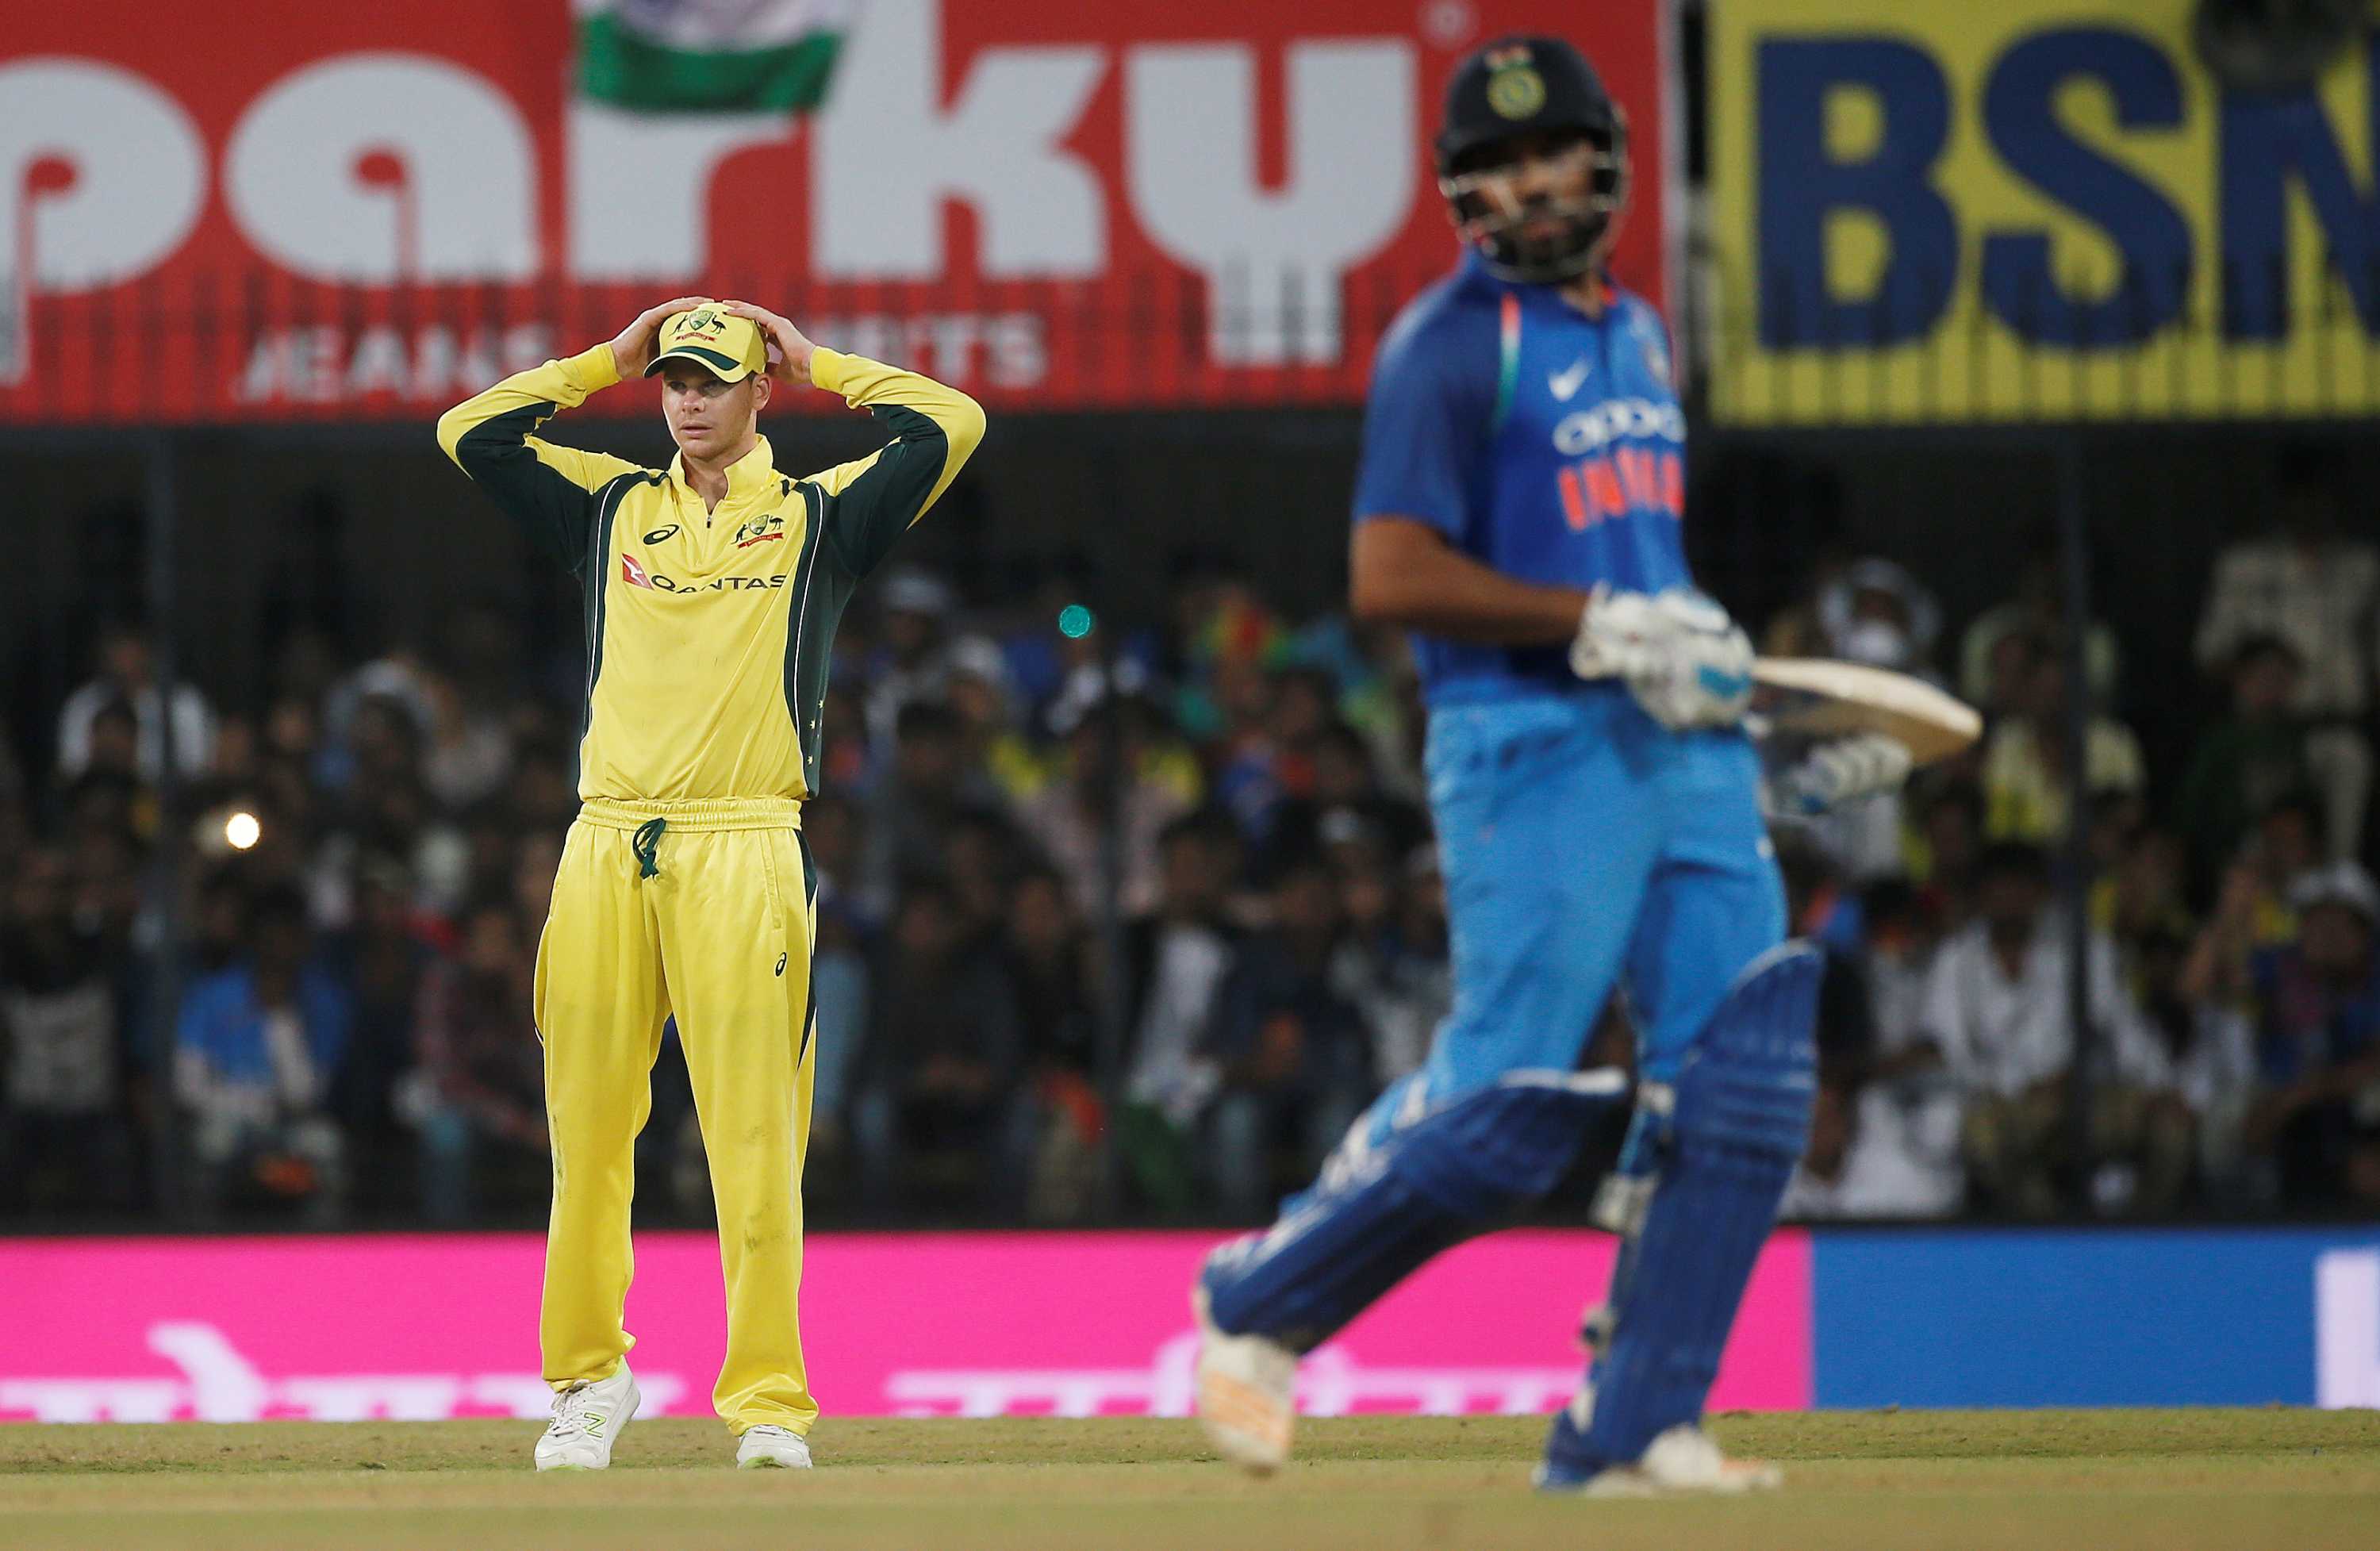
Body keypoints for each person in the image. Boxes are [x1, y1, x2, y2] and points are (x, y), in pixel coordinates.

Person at [1188, 36, 1906, 1493]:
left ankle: (1642, 1420)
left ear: (1609, 158)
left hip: (1685, 746)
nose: (1527, 184)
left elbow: (1626, 557)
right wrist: (1601, 625)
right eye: (1495, 167)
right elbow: (1389, 576)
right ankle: (1260, 1309)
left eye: (1551, 153)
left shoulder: (1640, 330)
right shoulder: (1453, 343)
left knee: (1746, 1080)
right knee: (1508, 1097)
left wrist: (1713, 669)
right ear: (1463, 193)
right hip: (1527, 743)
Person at [436, 296, 985, 1470]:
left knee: (754, 1136)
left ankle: (769, 1400)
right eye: (673, 381)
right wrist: (602, 363)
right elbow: (469, 435)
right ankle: (590, 1381)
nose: (686, 399)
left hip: (746, 843)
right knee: (587, 1131)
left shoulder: (817, 517)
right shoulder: (610, 505)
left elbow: (953, 424)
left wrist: (823, 358)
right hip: (605, 841)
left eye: (712, 379)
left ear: (758, 391)